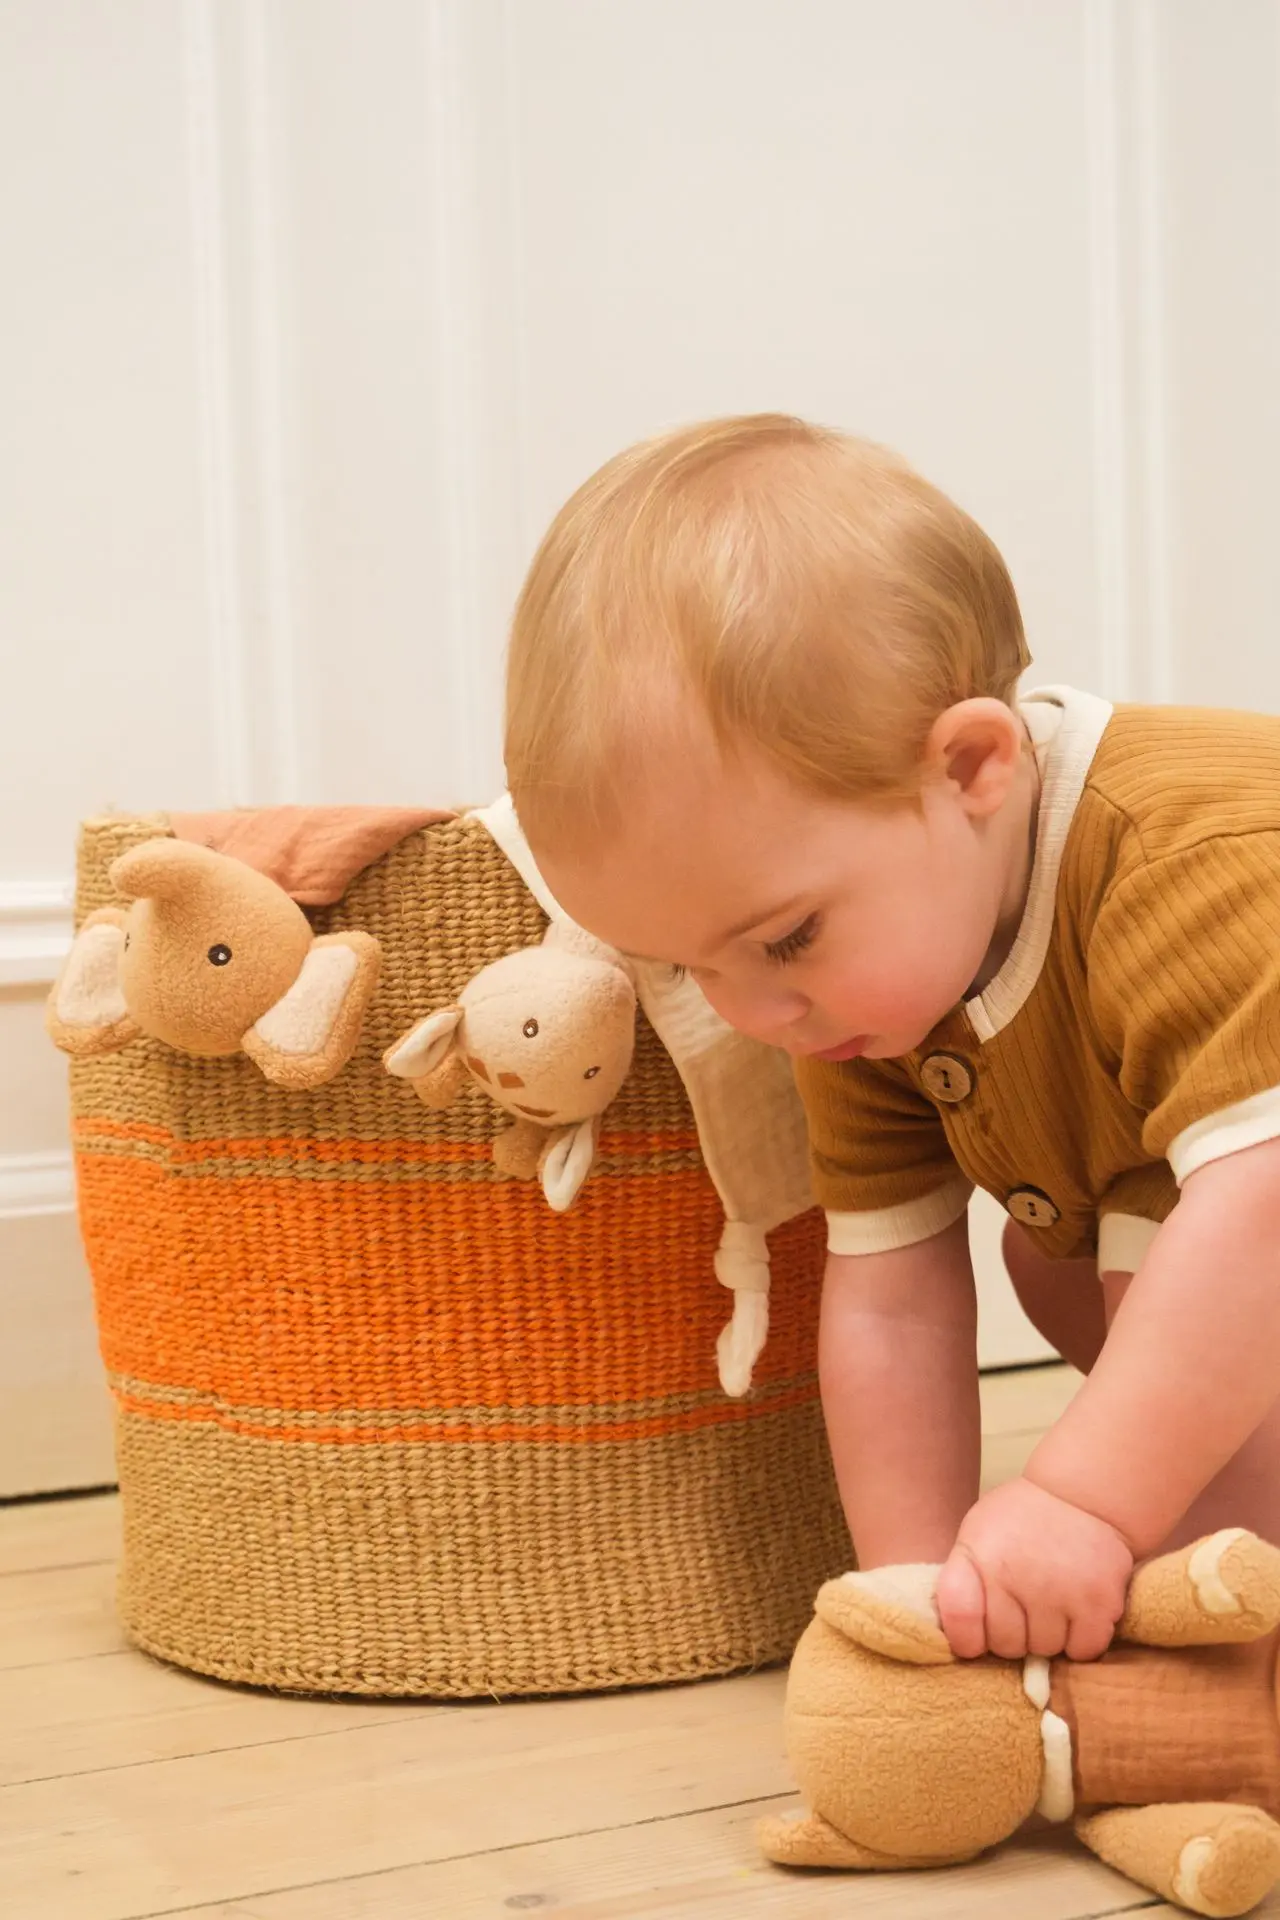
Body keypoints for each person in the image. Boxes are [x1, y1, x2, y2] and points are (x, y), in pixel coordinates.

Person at [502, 412, 1280, 1664]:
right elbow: (890, 1298)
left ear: (969, 767)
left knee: (1166, 1278)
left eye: (786, 938)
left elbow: (1260, 1213)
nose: (752, 1014)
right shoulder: (860, 1005)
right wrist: (909, 1603)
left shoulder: (1189, 859)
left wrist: (1080, 1502)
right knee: (1056, 1258)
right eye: (690, 968)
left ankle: (1227, 1614)